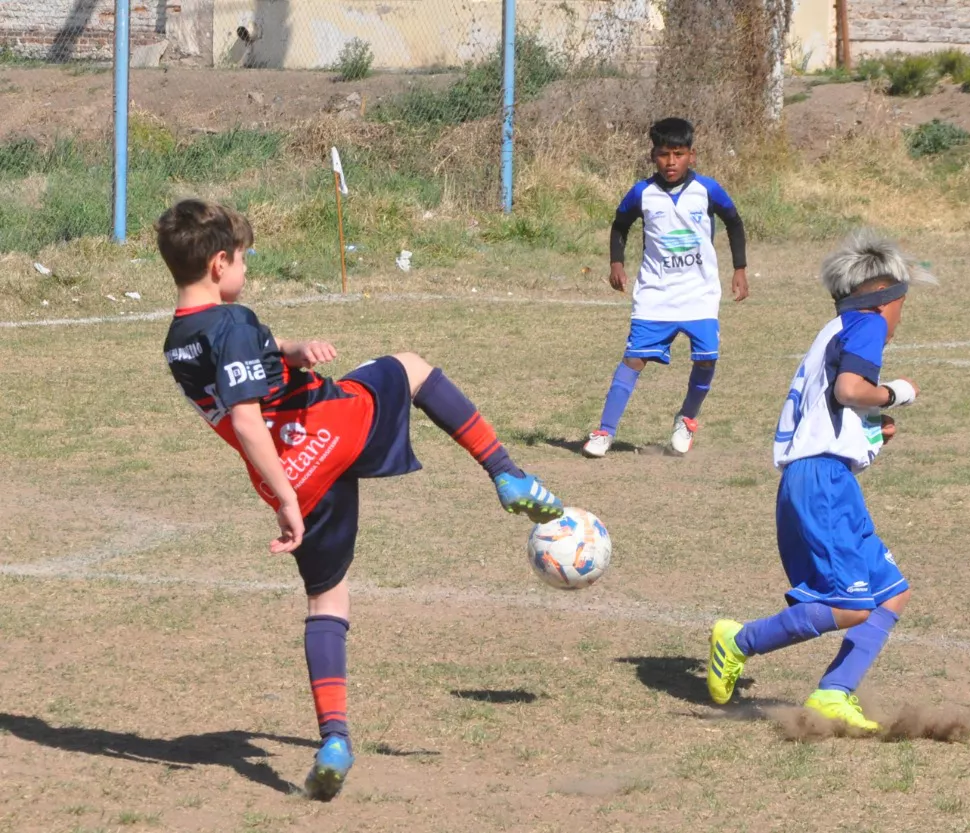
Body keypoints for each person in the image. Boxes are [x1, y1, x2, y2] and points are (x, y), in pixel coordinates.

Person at [157, 199, 563, 800]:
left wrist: (291, 352)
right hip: (326, 432)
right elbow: (246, 417)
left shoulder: (180, 340)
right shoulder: (233, 319)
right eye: (242, 258)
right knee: (410, 367)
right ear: (219, 263)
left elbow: (245, 375)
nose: (246, 268)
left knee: (326, 597)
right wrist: (290, 501)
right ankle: (509, 476)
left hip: (291, 472)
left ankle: (335, 740)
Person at [706, 228, 934, 731]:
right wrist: (894, 393)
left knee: (891, 593)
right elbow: (853, 389)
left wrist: (872, 433)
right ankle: (737, 641)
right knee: (848, 606)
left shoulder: (833, 331)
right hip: (821, 482)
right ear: (886, 298)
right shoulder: (868, 324)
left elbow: (832, 408)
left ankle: (833, 692)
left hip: (827, 478)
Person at [582, 116, 748, 458]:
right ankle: (604, 432)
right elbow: (620, 225)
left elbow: (734, 221)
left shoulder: (708, 190)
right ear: (652, 156)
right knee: (633, 360)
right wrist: (616, 263)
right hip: (655, 294)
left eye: (678, 153)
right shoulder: (642, 193)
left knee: (706, 359)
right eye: (663, 154)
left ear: (692, 155)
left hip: (700, 293)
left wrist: (740, 269)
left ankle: (686, 419)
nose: (670, 162)